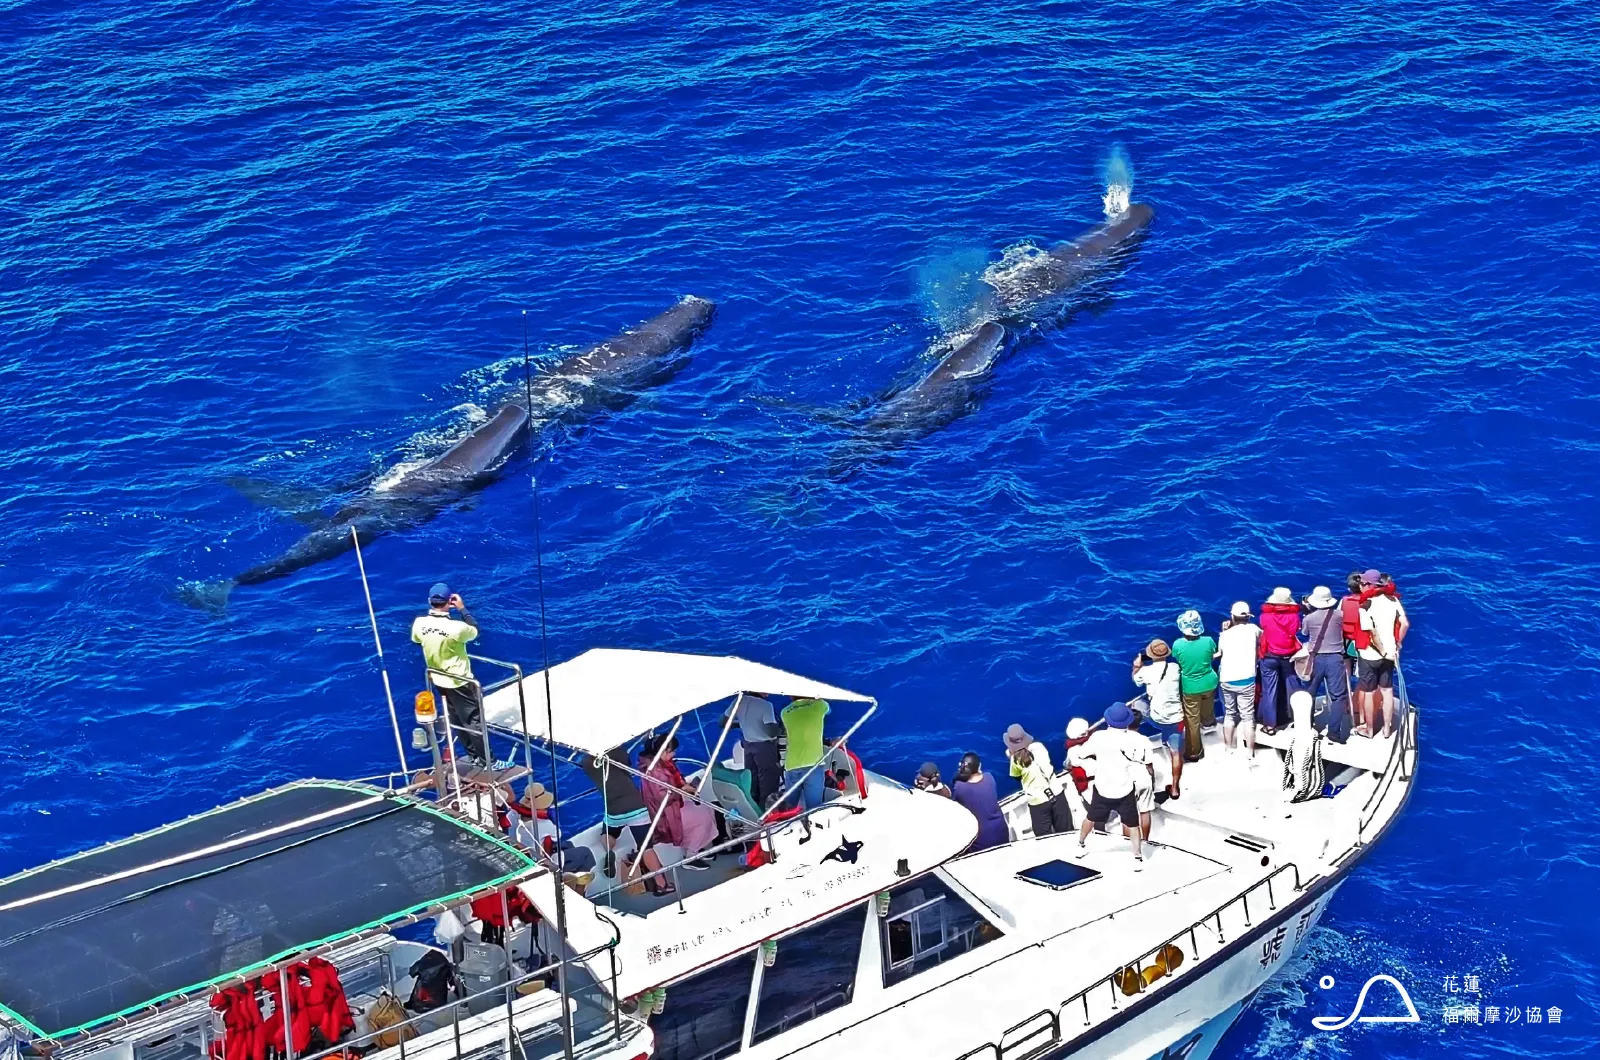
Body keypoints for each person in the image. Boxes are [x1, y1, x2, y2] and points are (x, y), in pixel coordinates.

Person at [576, 747, 672, 895]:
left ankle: (609, 850)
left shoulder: (586, 762)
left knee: (609, 832)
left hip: (613, 810)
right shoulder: (617, 752)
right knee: (646, 847)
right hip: (635, 807)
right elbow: (627, 767)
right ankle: (661, 884)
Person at [411, 583, 488, 764]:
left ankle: (473, 756)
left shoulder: (419, 623)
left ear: (430, 601)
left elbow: (417, 639)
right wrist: (462, 609)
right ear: (449, 602)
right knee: (473, 722)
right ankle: (489, 761)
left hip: (437, 679)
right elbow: (475, 631)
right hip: (459, 681)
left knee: (457, 720)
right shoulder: (457, 628)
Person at [1074, 703, 1148, 869]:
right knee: (1133, 824)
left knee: (1090, 818)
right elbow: (1140, 758)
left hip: (1103, 789)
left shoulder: (1098, 737)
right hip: (1124, 790)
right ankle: (1137, 857)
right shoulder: (1131, 739)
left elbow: (1080, 754)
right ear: (1127, 722)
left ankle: (1080, 845)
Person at [638, 734, 720, 866]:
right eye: (670, 751)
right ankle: (690, 857)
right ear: (662, 752)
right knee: (703, 818)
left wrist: (683, 787)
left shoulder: (661, 765)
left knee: (709, 809)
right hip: (666, 816)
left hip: (673, 808)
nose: (674, 753)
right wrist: (684, 790)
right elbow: (664, 797)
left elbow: (672, 786)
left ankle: (698, 847)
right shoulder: (655, 771)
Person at [1359, 569, 1410, 737]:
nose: (1361, 586)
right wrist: (1397, 644)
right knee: (1387, 690)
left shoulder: (1366, 605)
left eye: (1363, 583)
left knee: (1369, 692)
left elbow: (1372, 633)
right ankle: (1387, 730)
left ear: (1369, 585)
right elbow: (1405, 624)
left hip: (1370, 655)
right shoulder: (1393, 600)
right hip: (1391, 654)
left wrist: (1381, 650)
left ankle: (1369, 730)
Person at [1132, 640, 1185, 795]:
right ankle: (1175, 788)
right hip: (1176, 718)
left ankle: (1134, 737)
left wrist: (1136, 666)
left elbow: (1136, 682)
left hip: (1157, 718)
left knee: (1136, 704)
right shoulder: (1175, 668)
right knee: (1176, 753)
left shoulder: (1146, 671)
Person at [1299, 585, 1352, 741]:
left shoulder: (1309, 618)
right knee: (1338, 696)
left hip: (1315, 659)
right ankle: (1334, 732)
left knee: (1309, 694)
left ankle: (1307, 725)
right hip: (1336, 659)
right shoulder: (1339, 615)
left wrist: (1307, 612)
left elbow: (1304, 633)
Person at [1004, 724, 1072, 837]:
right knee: (1067, 831)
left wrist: (1011, 756)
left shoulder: (1015, 760)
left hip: (1038, 801)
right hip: (1056, 792)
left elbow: (1016, 777)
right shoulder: (1039, 747)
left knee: (1043, 837)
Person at [1216, 601, 1262, 755]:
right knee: (1248, 718)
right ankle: (1250, 751)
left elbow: (1220, 652)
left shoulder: (1224, 635)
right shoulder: (1254, 629)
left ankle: (1229, 748)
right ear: (1248, 617)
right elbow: (1261, 638)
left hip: (1227, 679)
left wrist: (1225, 630)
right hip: (1247, 679)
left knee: (1229, 714)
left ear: (1232, 617)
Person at [1171, 611, 1219, 752]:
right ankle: (1209, 724)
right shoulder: (1209, 640)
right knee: (1208, 705)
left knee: (1192, 720)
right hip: (1210, 682)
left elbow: (1178, 660)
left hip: (1190, 687)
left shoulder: (1178, 644)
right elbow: (1211, 655)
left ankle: (1194, 751)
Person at [1258, 587, 1302, 733]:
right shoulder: (1294, 617)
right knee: (1293, 685)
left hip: (1270, 655)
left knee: (1269, 690)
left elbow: (1265, 629)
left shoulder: (1265, 616)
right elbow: (1294, 631)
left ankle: (1269, 725)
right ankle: (1300, 718)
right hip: (1288, 655)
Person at [729, 691, 782, 809]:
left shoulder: (738, 701)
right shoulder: (766, 705)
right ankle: (767, 813)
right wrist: (781, 729)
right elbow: (771, 732)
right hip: (765, 747)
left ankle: (753, 809)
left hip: (748, 747)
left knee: (752, 780)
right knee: (768, 781)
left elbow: (723, 722)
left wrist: (742, 724)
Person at [779, 696, 832, 811]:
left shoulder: (784, 712)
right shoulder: (820, 705)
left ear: (791, 696)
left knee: (790, 806)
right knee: (814, 807)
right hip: (813, 764)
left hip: (791, 764)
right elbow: (829, 711)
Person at [950, 753, 1008, 852]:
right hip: (1002, 832)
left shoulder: (959, 787)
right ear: (979, 766)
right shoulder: (989, 777)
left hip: (980, 841)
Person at [1282, 690, 1326, 803]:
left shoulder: (1300, 737)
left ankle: (1300, 784)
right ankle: (1301, 785)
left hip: (1301, 741)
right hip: (1305, 740)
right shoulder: (1311, 735)